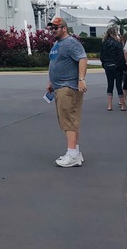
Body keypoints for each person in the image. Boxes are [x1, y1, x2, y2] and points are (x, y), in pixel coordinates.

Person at [46, 16, 88, 167]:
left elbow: (82, 59)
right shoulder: (58, 44)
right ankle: (75, 152)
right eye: (51, 28)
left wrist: (81, 78)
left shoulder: (71, 43)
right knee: (71, 120)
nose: (52, 31)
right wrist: (51, 81)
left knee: (68, 121)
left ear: (64, 28)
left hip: (68, 87)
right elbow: (56, 63)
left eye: (55, 28)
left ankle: (71, 154)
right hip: (59, 86)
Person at [100, 26, 126, 111]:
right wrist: (120, 65)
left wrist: (104, 64)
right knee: (118, 85)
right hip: (116, 66)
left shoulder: (104, 43)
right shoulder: (117, 43)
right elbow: (121, 55)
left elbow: (102, 56)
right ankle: (122, 105)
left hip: (107, 65)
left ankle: (110, 105)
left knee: (110, 85)